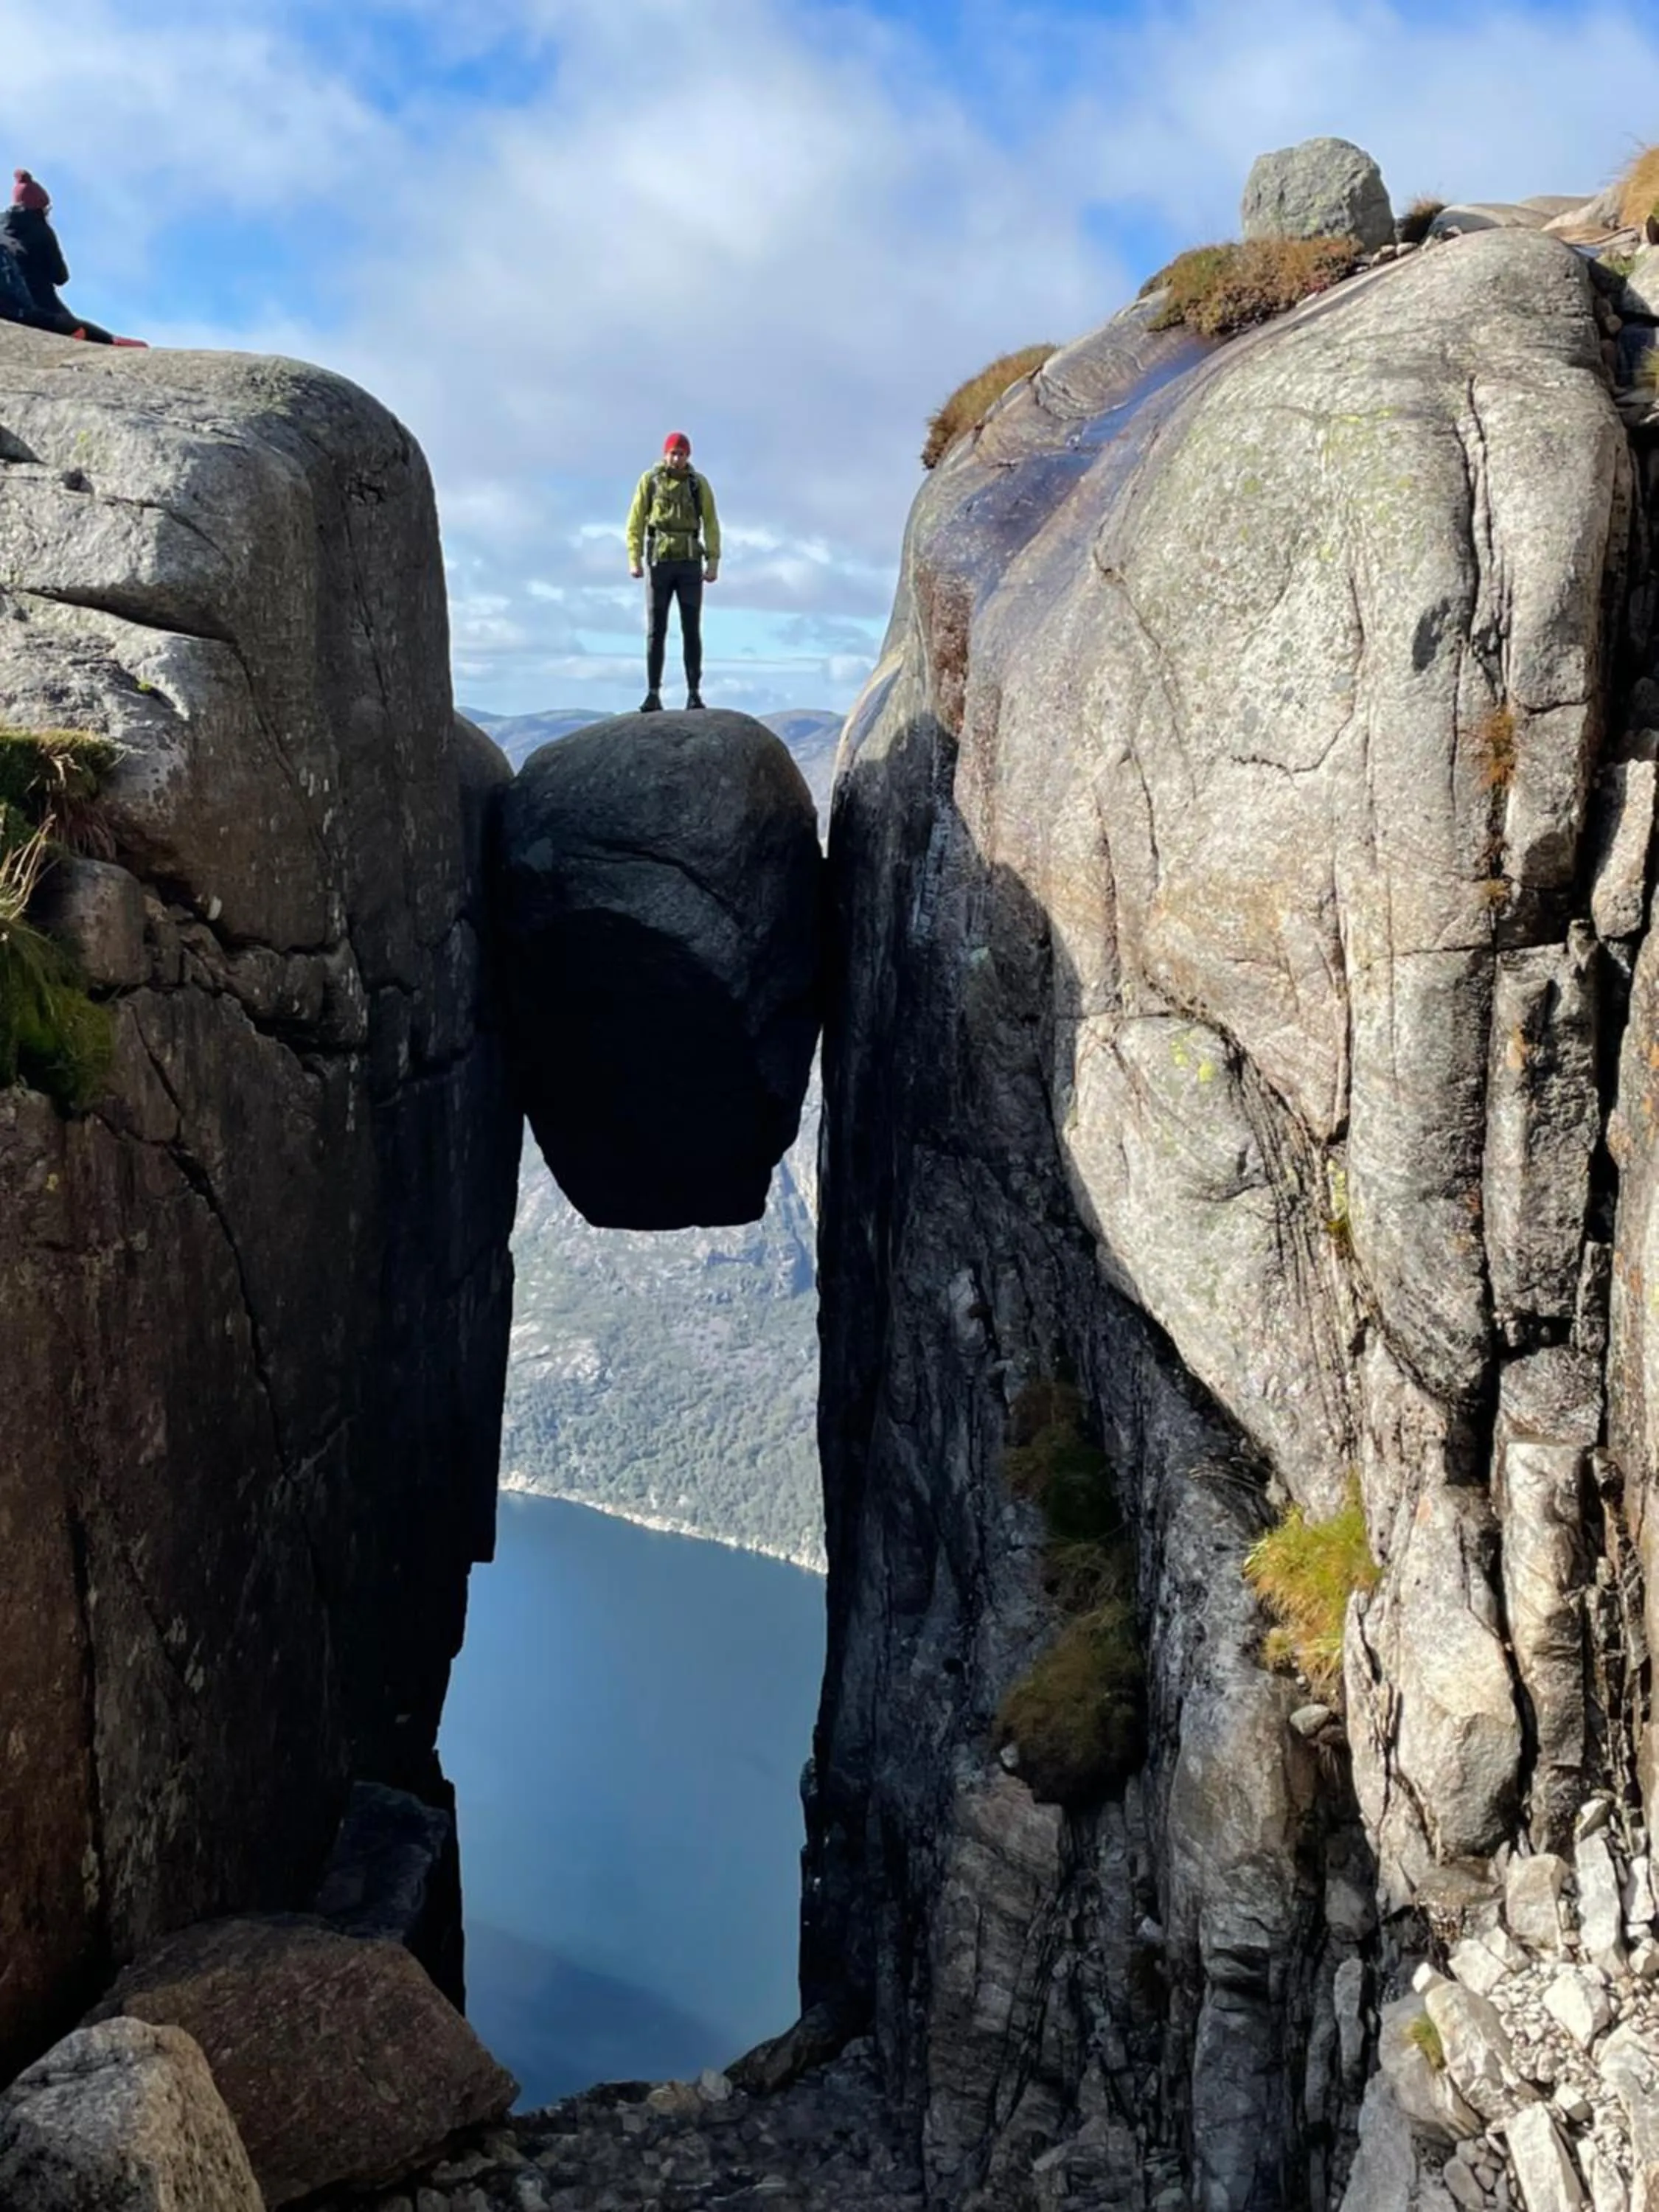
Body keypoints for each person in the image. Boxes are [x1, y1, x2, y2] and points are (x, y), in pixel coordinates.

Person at [625, 431, 721, 712]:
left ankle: (694, 694)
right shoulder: (650, 481)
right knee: (657, 630)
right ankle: (653, 694)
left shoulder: (697, 484)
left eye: (681, 454)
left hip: (690, 563)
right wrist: (634, 559)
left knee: (691, 630)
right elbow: (635, 521)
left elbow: (712, 523)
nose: (676, 458)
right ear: (664, 453)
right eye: (672, 453)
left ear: (688, 456)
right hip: (659, 562)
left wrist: (713, 562)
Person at [0, 171, 116, 344]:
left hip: (13, 303)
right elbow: (61, 277)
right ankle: (116, 343)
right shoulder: (42, 230)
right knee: (86, 332)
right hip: (41, 305)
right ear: (40, 208)